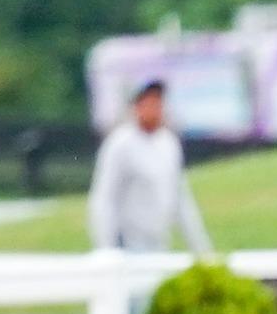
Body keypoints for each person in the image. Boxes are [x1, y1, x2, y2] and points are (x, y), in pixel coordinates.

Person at [87, 80, 212, 256]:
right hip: (127, 243)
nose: (155, 109)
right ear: (137, 106)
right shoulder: (120, 144)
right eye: (149, 103)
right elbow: (105, 197)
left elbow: (181, 199)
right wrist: (105, 247)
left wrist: (201, 250)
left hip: (158, 241)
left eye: (158, 103)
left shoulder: (168, 143)